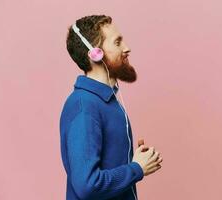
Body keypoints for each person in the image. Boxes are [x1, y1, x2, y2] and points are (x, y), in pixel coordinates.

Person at [59, 15, 163, 200]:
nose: (126, 48)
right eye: (117, 42)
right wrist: (136, 169)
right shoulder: (84, 107)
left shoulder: (107, 101)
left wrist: (134, 161)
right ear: (95, 54)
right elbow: (87, 186)